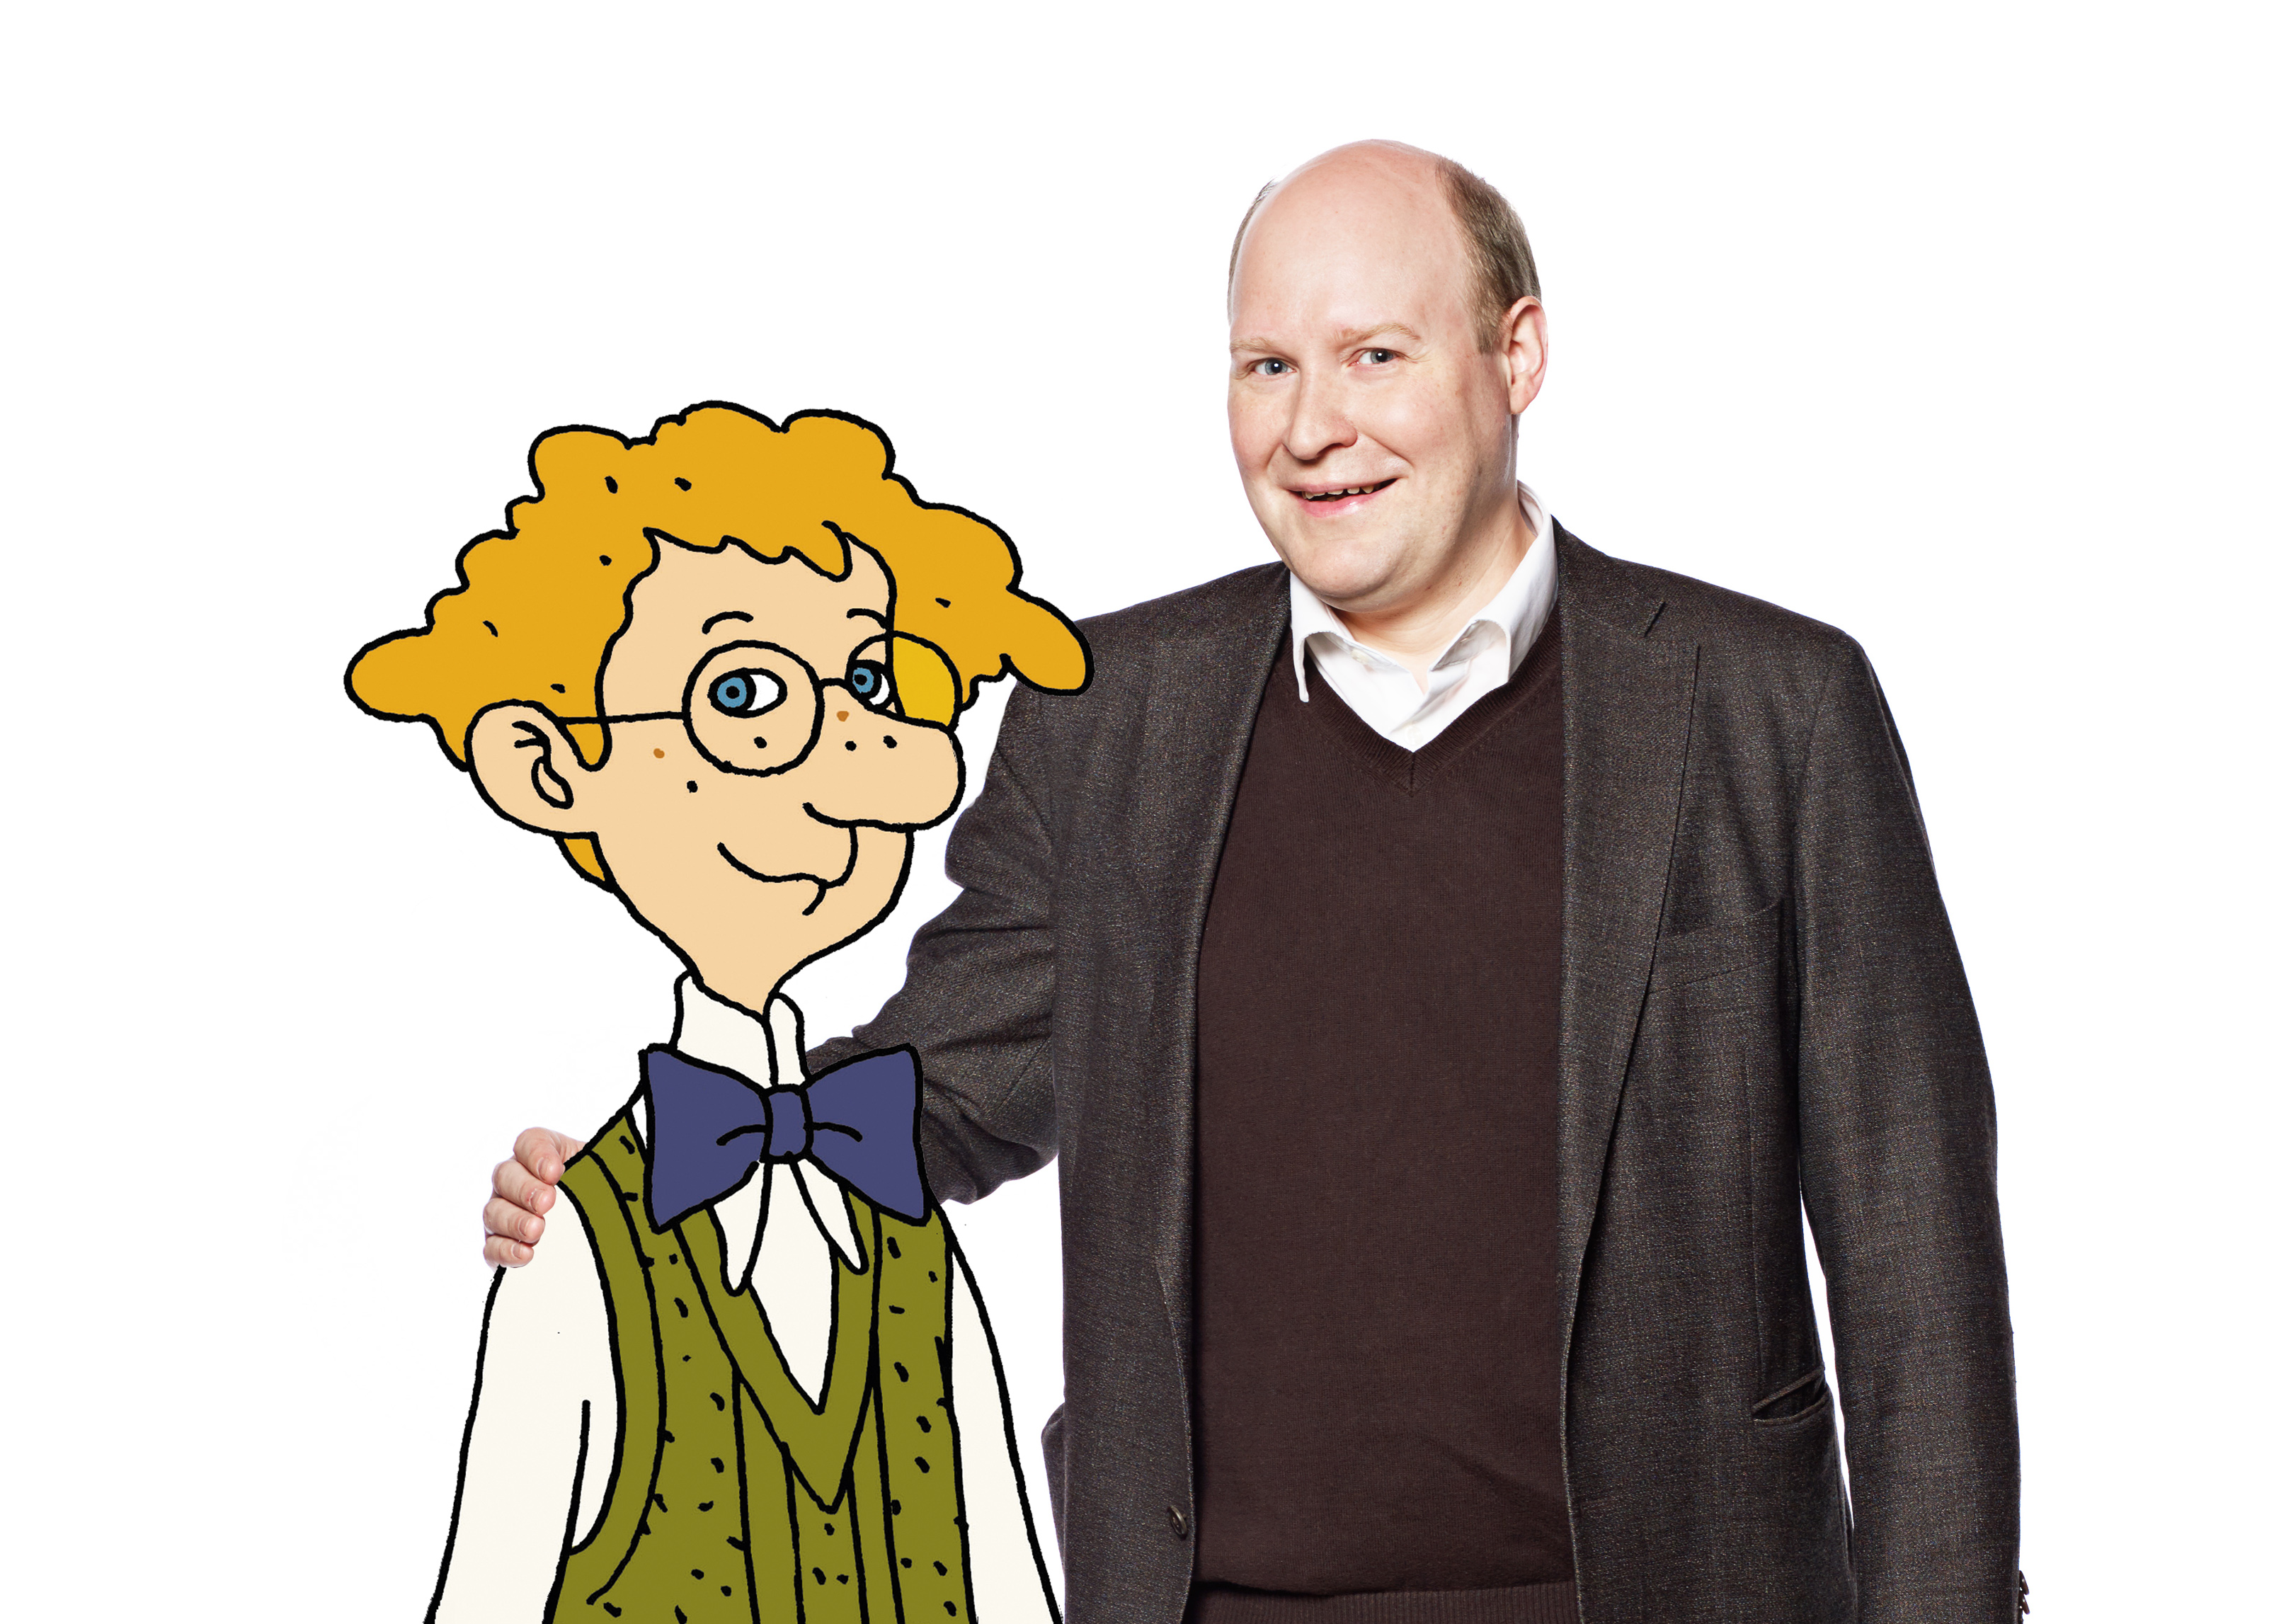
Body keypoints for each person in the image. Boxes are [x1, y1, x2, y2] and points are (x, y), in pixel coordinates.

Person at [486, 145, 2023, 1623]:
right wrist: (646, 1173)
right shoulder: (1108, 718)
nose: (1311, 427)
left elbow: (1915, 1258)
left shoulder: (1770, 710)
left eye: (1374, 356)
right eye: (1267, 366)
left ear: (1517, 355)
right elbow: (943, 1084)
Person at [349, 405, 1085, 1623]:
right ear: (550, 766)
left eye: (868, 681)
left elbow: (1006, 1586)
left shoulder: (914, 1249)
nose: (846, 750)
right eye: (744, 693)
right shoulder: (578, 1246)